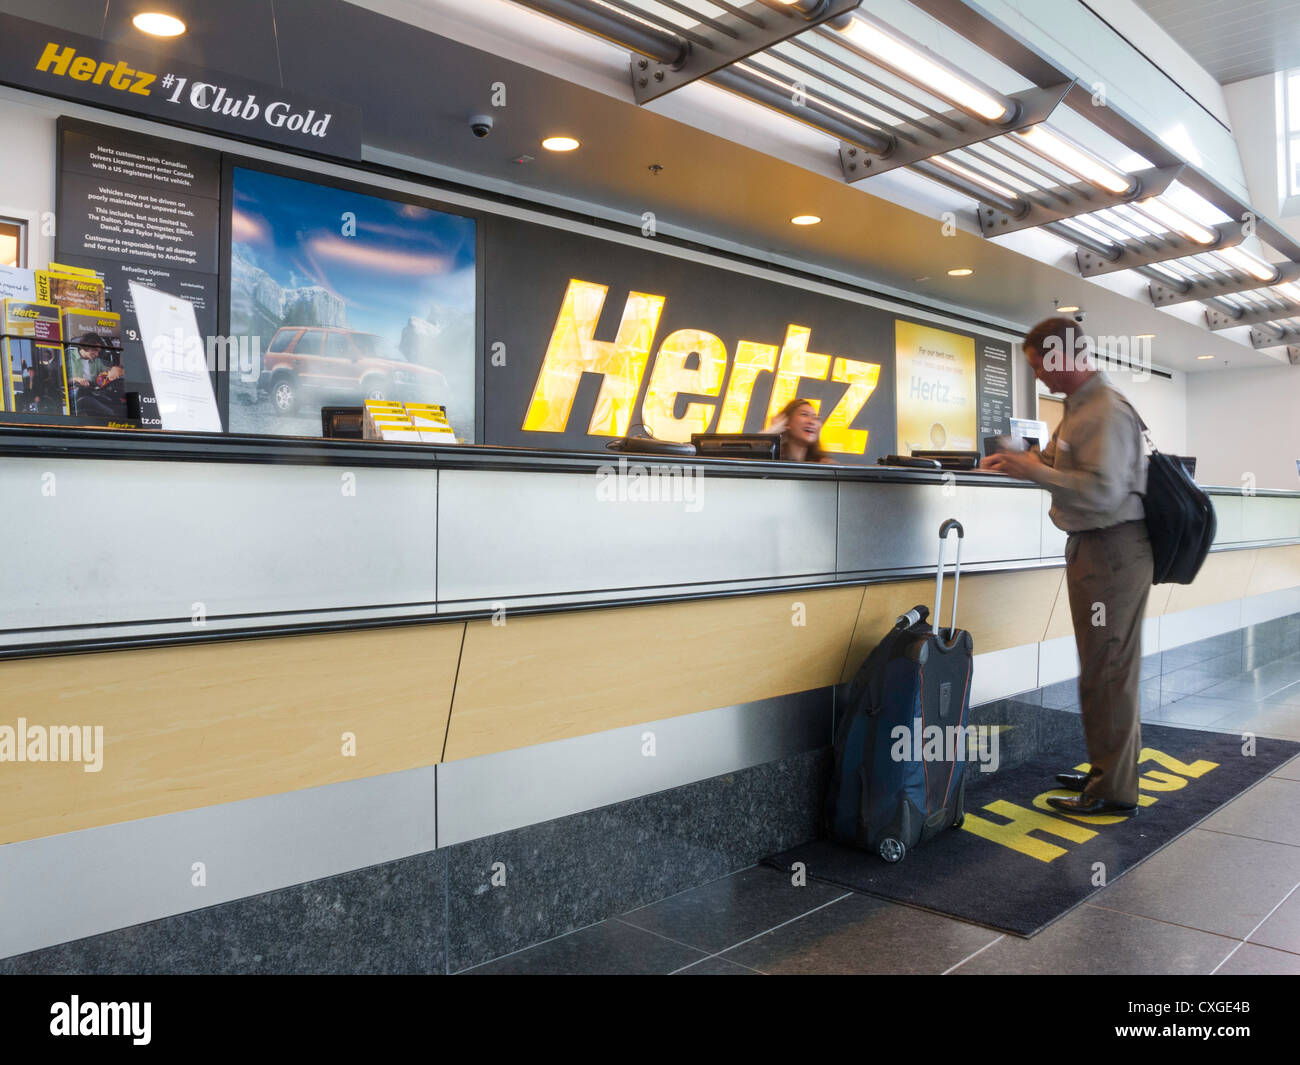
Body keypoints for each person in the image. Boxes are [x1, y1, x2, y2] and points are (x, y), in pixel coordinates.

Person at [981, 317, 1150, 816]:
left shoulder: (1104, 410)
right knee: (1103, 668)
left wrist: (1033, 468)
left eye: (1038, 366)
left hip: (1111, 551)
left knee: (1108, 670)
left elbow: (1103, 490)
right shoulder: (1079, 410)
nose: (1037, 378)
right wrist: (1020, 460)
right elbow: (1066, 471)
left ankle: (1113, 789)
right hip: (1097, 549)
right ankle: (1110, 770)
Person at [766, 397, 834, 464]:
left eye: (816, 418)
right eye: (804, 414)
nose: (812, 422)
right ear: (786, 422)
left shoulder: (824, 464)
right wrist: (771, 432)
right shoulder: (771, 460)